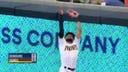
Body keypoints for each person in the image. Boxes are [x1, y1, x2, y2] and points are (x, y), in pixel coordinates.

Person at [57, 7, 81, 72]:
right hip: (64, 70)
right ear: (65, 38)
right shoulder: (62, 43)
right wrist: (61, 16)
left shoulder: (76, 43)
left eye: (71, 36)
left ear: (73, 38)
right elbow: (61, 30)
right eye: (68, 35)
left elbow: (79, 30)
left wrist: (77, 18)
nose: (70, 36)